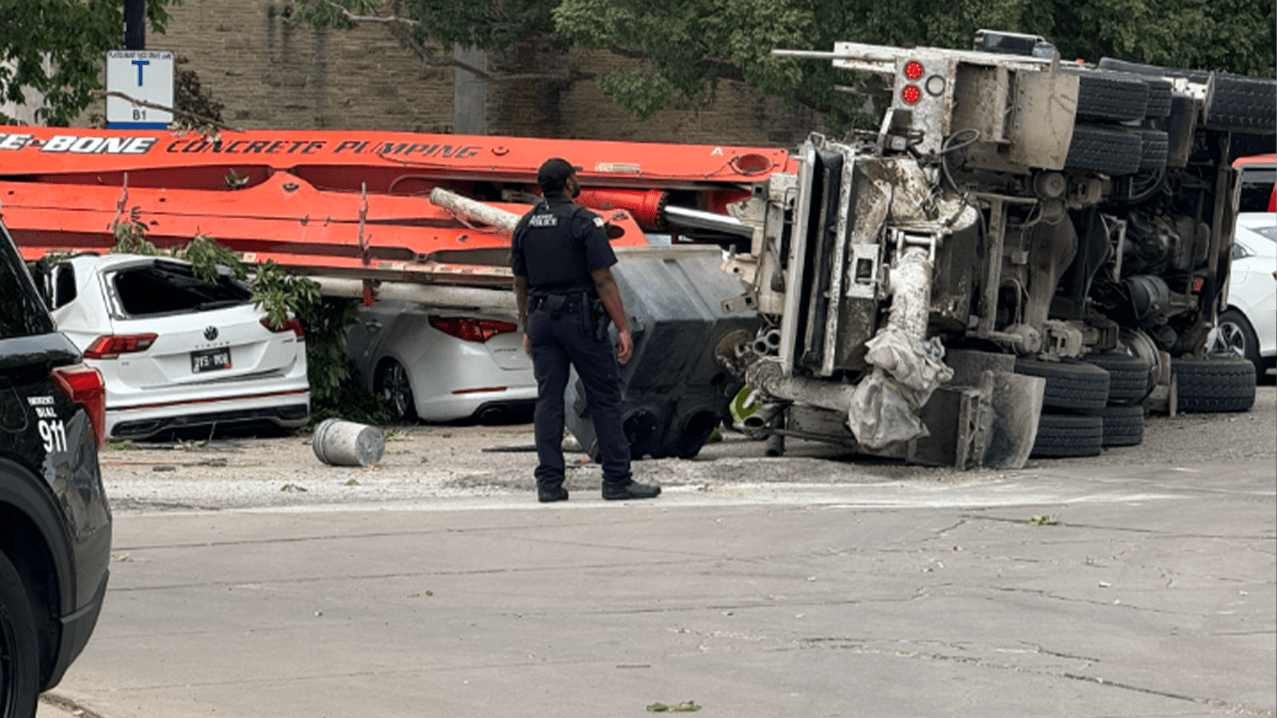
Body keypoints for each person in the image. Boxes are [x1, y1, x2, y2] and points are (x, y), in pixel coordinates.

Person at [511, 158, 662, 503]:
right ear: (568, 183)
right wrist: (623, 327)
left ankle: (548, 484)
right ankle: (617, 480)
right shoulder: (584, 221)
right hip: (578, 319)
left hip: (540, 320)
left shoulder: (526, 225)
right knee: (604, 397)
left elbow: (520, 283)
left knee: (549, 400)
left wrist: (526, 327)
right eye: (574, 176)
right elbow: (603, 279)